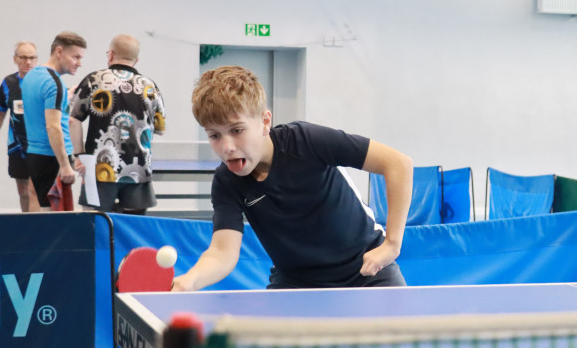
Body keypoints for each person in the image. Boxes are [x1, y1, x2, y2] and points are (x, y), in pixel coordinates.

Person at [172, 66, 413, 291]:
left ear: (265, 122)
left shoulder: (306, 141)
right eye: (215, 135)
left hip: (366, 271)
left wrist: (392, 244)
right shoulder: (227, 182)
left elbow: (398, 164)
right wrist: (190, 281)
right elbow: (222, 252)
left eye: (237, 130)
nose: (227, 147)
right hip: (296, 282)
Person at [69, 35, 166, 214]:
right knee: (133, 229)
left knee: (95, 226)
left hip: (98, 169)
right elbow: (160, 129)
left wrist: (78, 156)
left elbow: (73, 120)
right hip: (139, 172)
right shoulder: (150, 87)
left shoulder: (93, 80)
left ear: (111, 54)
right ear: (136, 60)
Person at [22, 31, 87, 210]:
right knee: (56, 219)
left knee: (46, 211)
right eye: (75, 57)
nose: (79, 63)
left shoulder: (32, 75)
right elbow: (53, 127)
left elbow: (40, 109)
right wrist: (65, 166)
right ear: (59, 51)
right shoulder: (55, 84)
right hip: (53, 158)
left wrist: (66, 96)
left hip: (36, 155)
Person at [0, 41, 40, 212]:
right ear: (15, 59)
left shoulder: (44, 81)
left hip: (39, 146)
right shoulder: (8, 83)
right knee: (23, 191)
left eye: (32, 58)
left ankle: (34, 231)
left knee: (34, 190)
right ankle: (26, 224)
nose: (28, 62)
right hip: (17, 146)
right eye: (23, 57)